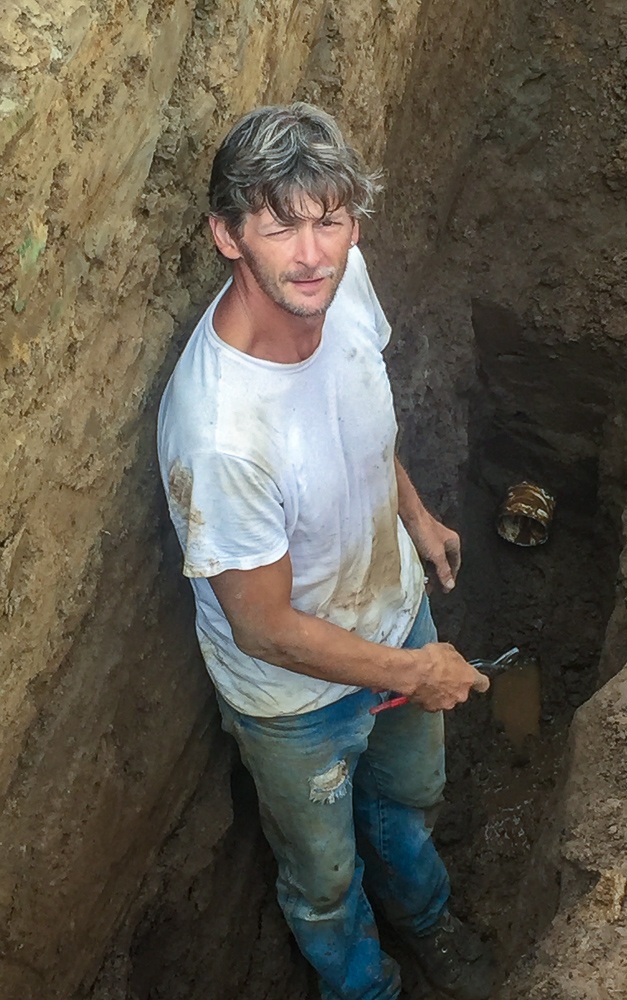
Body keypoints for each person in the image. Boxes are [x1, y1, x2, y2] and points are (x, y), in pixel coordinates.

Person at [157, 102, 493, 1000]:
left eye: (330, 219)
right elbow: (263, 626)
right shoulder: (224, 432)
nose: (313, 254)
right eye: (279, 226)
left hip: (393, 615)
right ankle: (367, 987)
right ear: (228, 236)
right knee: (325, 878)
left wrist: (414, 520)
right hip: (296, 702)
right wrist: (413, 672)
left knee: (409, 807)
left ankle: (427, 926)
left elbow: (363, 424)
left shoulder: (342, 283)